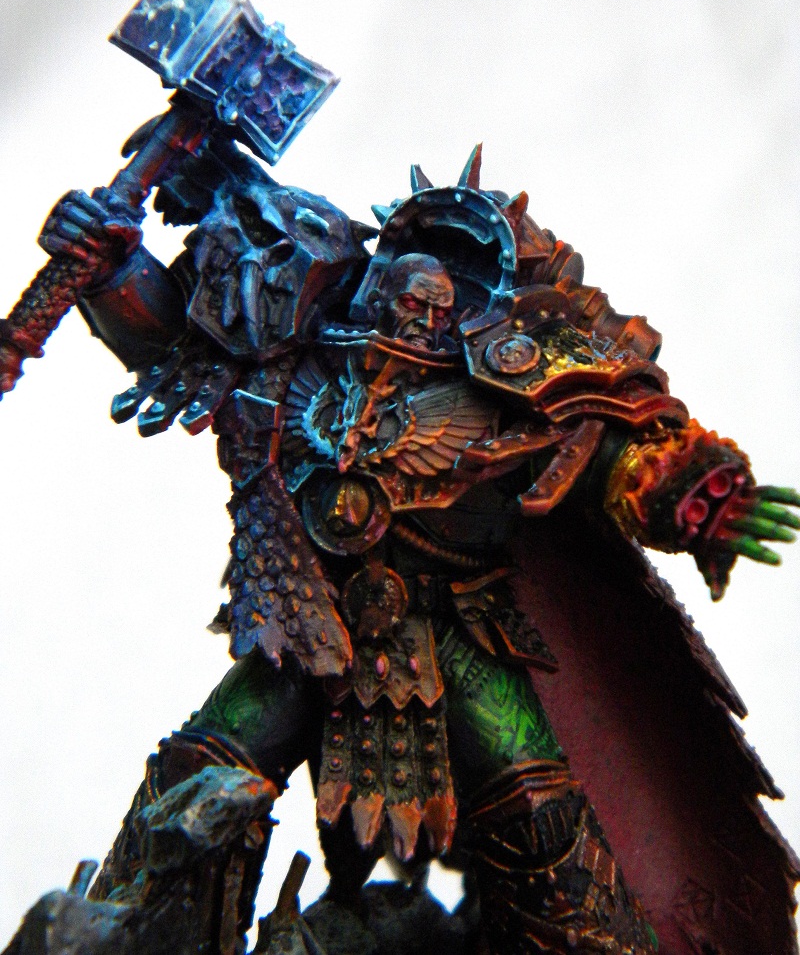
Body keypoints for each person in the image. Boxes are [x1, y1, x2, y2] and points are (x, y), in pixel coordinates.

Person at [2, 137, 798, 955]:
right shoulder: (295, 361)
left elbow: (601, 450)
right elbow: (174, 345)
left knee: (538, 817)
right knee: (203, 773)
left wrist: (686, 492)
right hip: (307, 624)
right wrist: (112, 267)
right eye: (399, 285)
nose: (412, 309)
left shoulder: (496, 387)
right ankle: (130, 925)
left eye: (432, 298)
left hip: (456, 630)